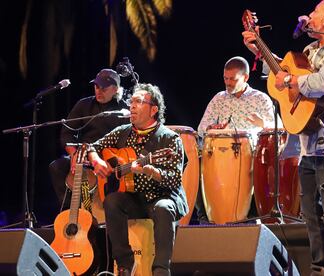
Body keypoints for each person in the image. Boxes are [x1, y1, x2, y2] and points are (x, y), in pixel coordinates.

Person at [243, 0, 324, 275]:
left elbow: (323, 84)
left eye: (317, 11)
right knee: (312, 217)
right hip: (310, 147)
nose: (310, 14)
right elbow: (284, 75)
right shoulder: (309, 51)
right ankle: (318, 270)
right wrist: (261, 53)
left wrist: (289, 81)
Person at [87, 83, 188, 276]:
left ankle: (161, 270)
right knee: (112, 200)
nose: (132, 106)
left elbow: (174, 179)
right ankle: (125, 266)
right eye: (131, 101)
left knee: (164, 208)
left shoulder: (169, 139)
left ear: (153, 110)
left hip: (161, 197)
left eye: (139, 102)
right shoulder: (122, 132)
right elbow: (92, 147)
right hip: (134, 198)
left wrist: (152, 172)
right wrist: (96, 160)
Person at [196, 56, 276, 223]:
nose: (228, 83)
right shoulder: (219, 98)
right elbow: (201, 128)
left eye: (233, 79)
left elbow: (278, 130)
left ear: (245, 77)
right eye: (226, 78)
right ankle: (207, 216)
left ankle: (251, 216)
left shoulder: (260, 99)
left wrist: (263, 124)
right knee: (195, 159)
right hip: (220, 156)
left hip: (251, 155)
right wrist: (212, 128)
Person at [49, 68, 129, 210]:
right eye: (96, 86)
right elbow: (67, 133)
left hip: (108, 158)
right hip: (83, 155)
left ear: (115, 89)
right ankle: (69, 212)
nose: (99, 90)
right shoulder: (84, 104)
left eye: (104, 88)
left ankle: (103, 216)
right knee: (57, 167)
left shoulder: (124, 111)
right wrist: (73, 154)